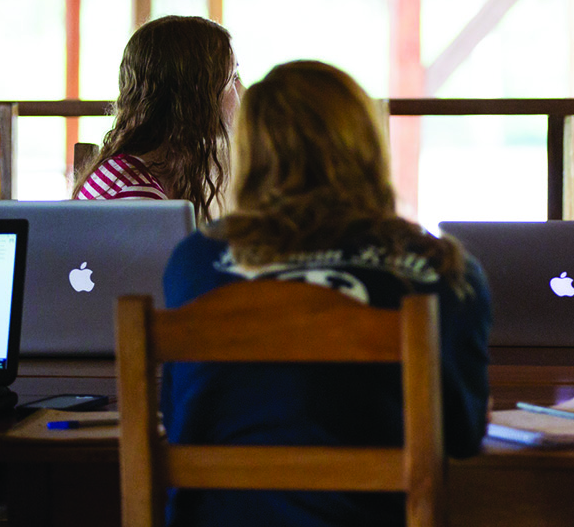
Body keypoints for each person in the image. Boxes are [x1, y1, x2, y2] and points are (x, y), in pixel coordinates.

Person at [160, 61, 491, 527]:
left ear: (248, 152)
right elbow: (461, 435)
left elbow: (178, 420)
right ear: (367, 144)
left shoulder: (194, 260)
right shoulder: (445, 271)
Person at [74, 15, 241, 226]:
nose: (241, 91)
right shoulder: (140, 200)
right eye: (233, 78)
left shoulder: (135, 171)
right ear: (195, 98)